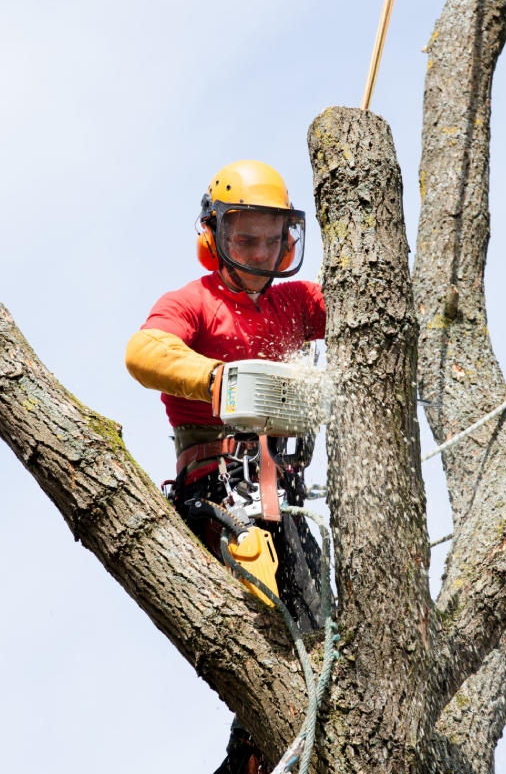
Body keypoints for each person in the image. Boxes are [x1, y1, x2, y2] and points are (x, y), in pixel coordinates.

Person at [125, 159, 326, 774]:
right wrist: (220, 380)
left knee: (319, 630)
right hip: (219, 495)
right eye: (246, 238)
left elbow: (369, 312)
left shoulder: (296, 303)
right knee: (268, 614)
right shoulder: (194, 303)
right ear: (213, 236)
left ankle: (274, 749)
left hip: (283, 504)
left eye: (273, 238)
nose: (261, 252)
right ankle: (254, 757)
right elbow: (143, 351)